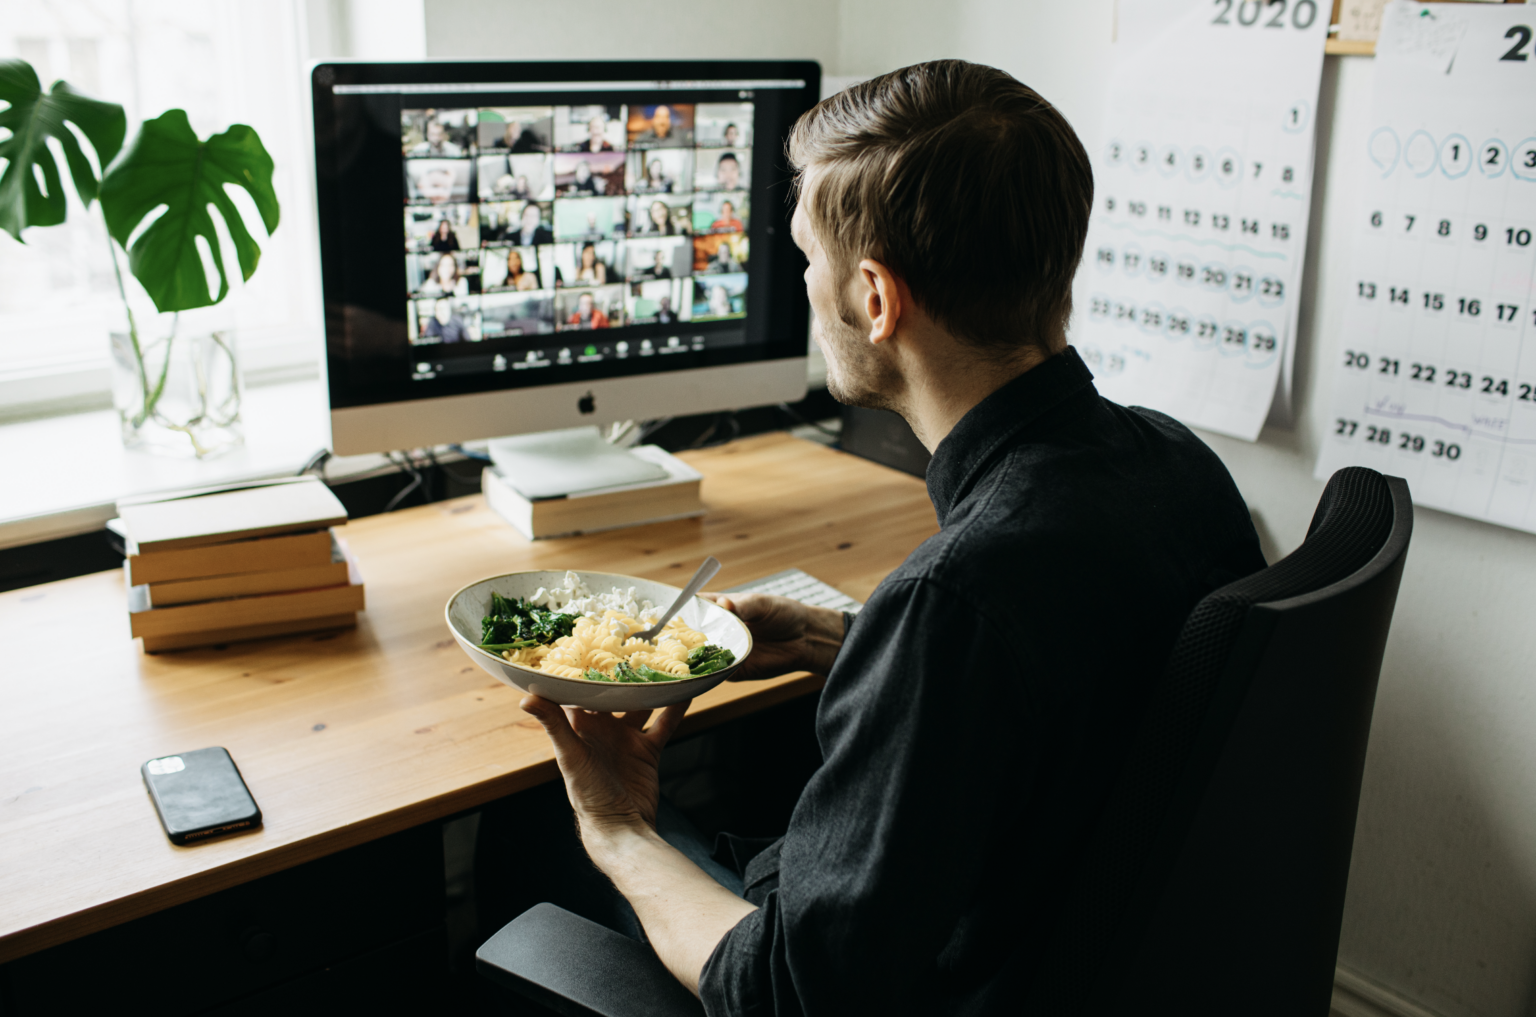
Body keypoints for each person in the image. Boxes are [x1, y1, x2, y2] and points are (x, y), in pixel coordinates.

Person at [510, 60, 1266, 1015]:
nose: (801, 281)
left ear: (875, 299)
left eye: (806, 256)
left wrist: (616, 826)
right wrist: (843, 639)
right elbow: (1072, 693)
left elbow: (786, 993)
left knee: (540, 829)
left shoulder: (953, 601)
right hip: (1085, 960)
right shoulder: (1176, 464)